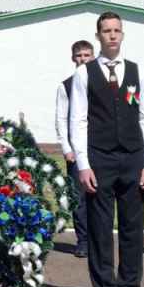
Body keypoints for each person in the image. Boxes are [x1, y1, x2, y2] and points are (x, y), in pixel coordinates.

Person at [70, 11, 144, 287]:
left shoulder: (138, 71)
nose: (112, 35)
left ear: (122, 34)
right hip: (100, 160)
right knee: (100, 229)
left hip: (133, 159)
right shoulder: (85, 74)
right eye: (106, 31)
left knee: (133, 228)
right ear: (98, 36)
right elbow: (78, 121)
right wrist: (83, 164)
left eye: (116, 30)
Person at [54, 39, 93, 257]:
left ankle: (99, 241)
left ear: (93, 57)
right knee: (78, 198)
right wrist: (66, 148)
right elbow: (61, 119)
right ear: (73, 59)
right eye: (79, 56)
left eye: (87, 55)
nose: (83, 59)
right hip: (76, 152)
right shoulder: (65, 86)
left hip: (99, 149)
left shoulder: (101, 83)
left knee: (100, 197)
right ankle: (83, 241)